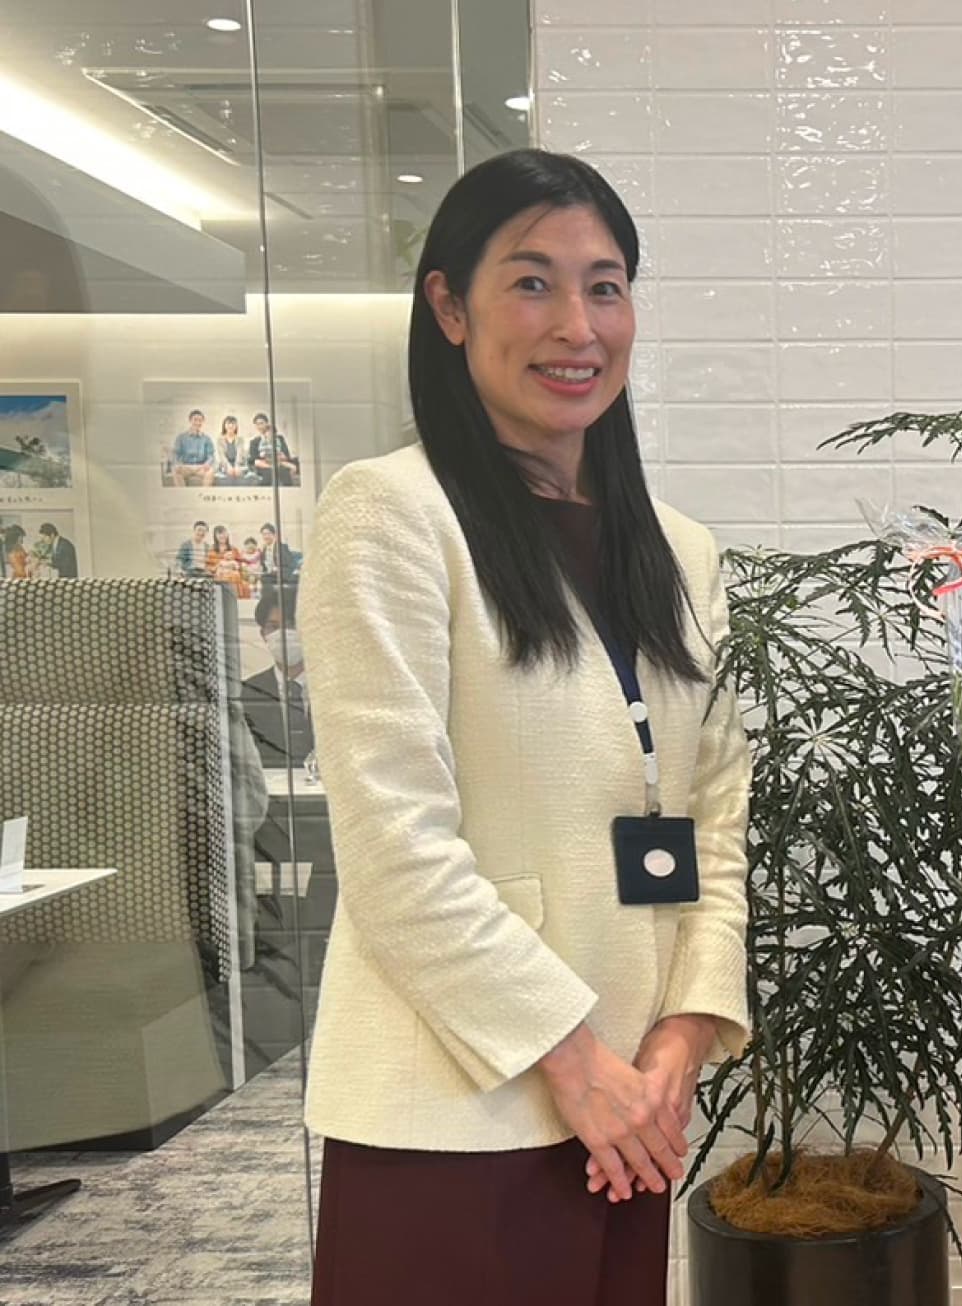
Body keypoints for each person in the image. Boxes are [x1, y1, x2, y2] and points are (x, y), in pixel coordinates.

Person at [297, 148, 749, 1306]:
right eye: (532, 282)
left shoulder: (681, 550)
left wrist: (682, 1036)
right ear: (450, 307)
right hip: (460, 1098)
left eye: (605, 287)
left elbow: (716, 810)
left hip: (631, 1103)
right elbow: (396, 847)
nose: (576, 326)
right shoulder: (391, 514)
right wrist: (573, 1059)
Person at [243, 581, 313, 769]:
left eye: (291, 625)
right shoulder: (246, 693)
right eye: (273, 627)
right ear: (263, 634)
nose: (283, 634)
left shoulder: (334, 689)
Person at [248, 412, 299, 486]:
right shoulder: (254, 441)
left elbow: (286, 455)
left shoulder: (279, 438)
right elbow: (253, 459)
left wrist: (281, 456)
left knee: (284, 471)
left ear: (267, 423)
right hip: (263, 465)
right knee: (268, 473)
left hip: (279, 463)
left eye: (261, 423)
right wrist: (266, 458)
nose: (260, 426)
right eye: (257, 424)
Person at [171, 409, 215, 486]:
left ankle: (204, 492)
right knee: (175, 470)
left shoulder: (207, 439)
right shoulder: (181, 437)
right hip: (186, 466)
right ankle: (181, 493)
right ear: (190, 420)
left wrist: (207, 463)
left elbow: (211, 455)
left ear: (202, 422)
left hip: (201, 467)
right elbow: (175, 454)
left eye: (200, 420)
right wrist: (177, 464)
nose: (197, 423)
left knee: (210, 471)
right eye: (195, 420)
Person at [208, 523, 250, 598]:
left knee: (236, 576)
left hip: (233, 574)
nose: (222, 536)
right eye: (219, 534)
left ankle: (234, 598)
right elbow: (208, 566)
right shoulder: (211, 550)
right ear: (215, 536)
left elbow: (240, 563)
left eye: (224, 533)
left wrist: (234, 565)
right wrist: (219, 564)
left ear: (227, 535)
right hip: (218, 575)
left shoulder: (233, 549)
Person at [216, 416, 243, 482]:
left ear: (236, 426)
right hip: (224, 464)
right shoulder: (220, 439)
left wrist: (237, 465)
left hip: (237, 463)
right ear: (224, 425)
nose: (230, 426)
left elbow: (240, 454)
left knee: (238, 472)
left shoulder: (240, 439)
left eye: (233, 423)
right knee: (229, 473)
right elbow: (221, 455)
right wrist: (228, 466)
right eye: (228, 423)